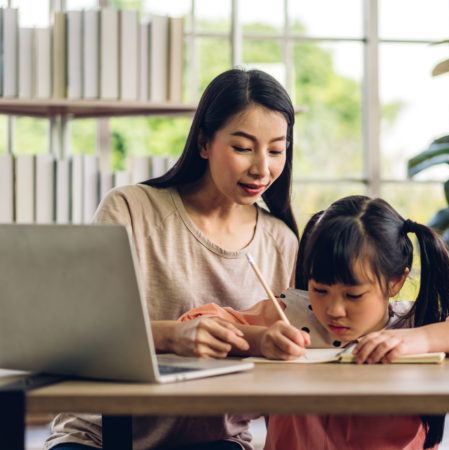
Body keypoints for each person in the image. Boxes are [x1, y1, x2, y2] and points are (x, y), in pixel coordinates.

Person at [45, 68, 300, 450]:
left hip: (216, 440)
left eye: (276, 150)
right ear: (203, 143)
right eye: (244, 148)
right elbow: (79, 332)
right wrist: (171, 335)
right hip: (99, 434)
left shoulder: (281, 241)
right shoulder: (131, 208)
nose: (262, 168)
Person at [179, 195, 449, 450]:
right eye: (320, 290)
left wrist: (420, 340)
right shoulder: (289, 314)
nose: (333, 310)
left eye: (354, 296)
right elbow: (199, 322)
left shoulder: (411, 325)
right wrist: (261, 340)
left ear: (397, 281)